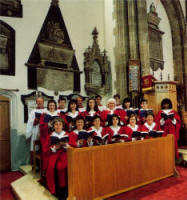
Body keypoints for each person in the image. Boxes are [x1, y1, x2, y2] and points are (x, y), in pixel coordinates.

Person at [45, 117, 73, 197]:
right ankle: (58, 188)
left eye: (60, 124)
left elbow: (72, 146)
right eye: (56, 124)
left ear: (63, 126)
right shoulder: (50, 136)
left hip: (65, 153)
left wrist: (66, 145)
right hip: (54, 154)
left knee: (66, 166)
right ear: (53, 126)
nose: (58, 126)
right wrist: (54, 148)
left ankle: (68, 187)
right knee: (54, 166)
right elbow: (46, 149)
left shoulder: (67, 134)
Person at [26, 96, 44, 164]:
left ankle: (42, 164)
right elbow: (29, 122)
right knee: (34, 147)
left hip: (44, 131)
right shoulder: (33, 111)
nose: (39, 102)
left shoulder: (46, 111)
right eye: (38, 101)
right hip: (36, 130)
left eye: (41, 101)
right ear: (36, 102)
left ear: (43, 102)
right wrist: (35, 121)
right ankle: (34, 164)